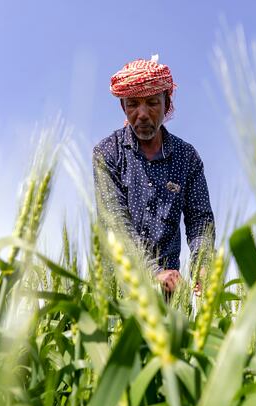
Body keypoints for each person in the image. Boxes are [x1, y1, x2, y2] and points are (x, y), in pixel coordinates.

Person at [92, 56, 215, 295]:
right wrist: (153, 271)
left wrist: (203, 266)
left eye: (151, 103)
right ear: (123, 107)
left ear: (166, 103)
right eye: (133, 104)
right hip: (118, 295)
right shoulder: (107, 153)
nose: (142, 114)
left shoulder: (187, 157)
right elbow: (115, 223)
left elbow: (200, 221)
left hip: (168, 298)